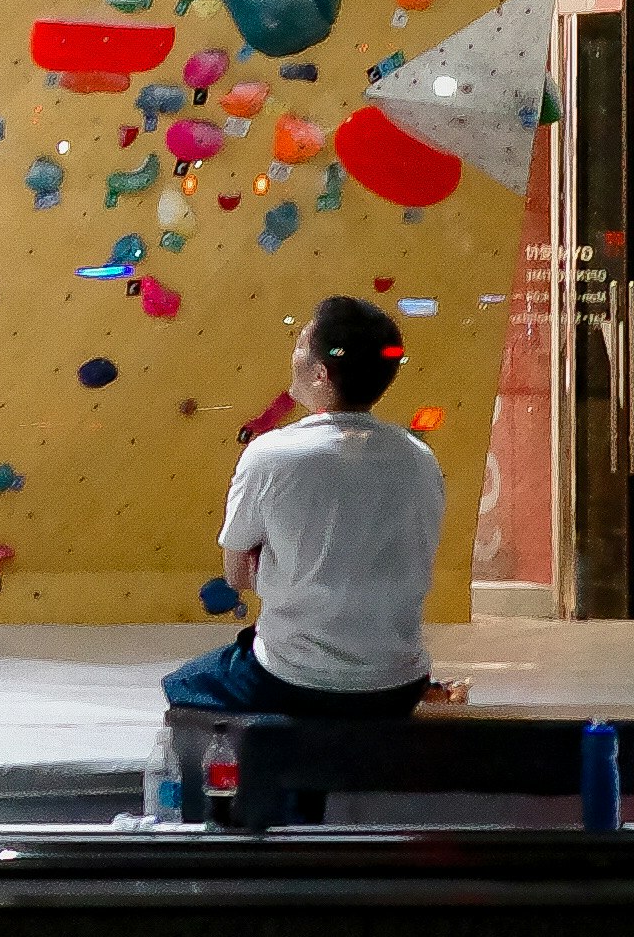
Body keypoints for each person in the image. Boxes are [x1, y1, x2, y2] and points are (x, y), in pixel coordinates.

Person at [164, 295, 444, 729]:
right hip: (399, 683)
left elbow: (237, 576)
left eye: (299, 343)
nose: (291, 352)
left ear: (319, 374)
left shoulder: (272, 455)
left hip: (292, 679)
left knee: (182, 686)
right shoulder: (420, 459)